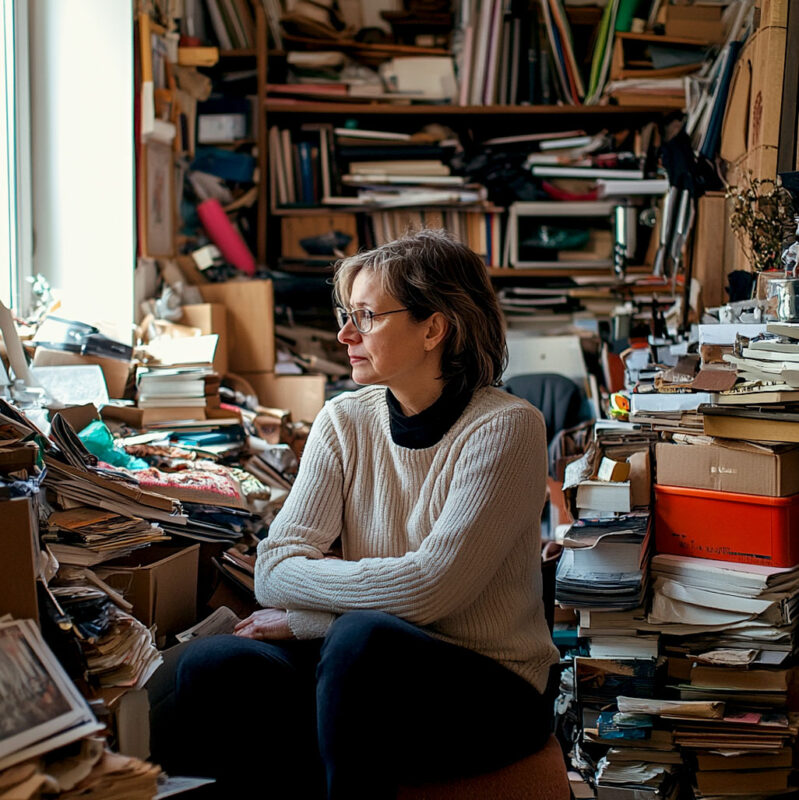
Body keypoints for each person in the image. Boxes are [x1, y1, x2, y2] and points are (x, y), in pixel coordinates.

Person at [170, 229, 560, 799]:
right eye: (346, 314)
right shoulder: (343, 420)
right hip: (365, 667)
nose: (344, 334)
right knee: (215, 664)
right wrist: (328, 620)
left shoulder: (506, 428)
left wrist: (311, 620)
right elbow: (273, 569)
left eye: (368, 316)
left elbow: (430, 589)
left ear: (433, 327)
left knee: (361, 639)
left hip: (492, 687)